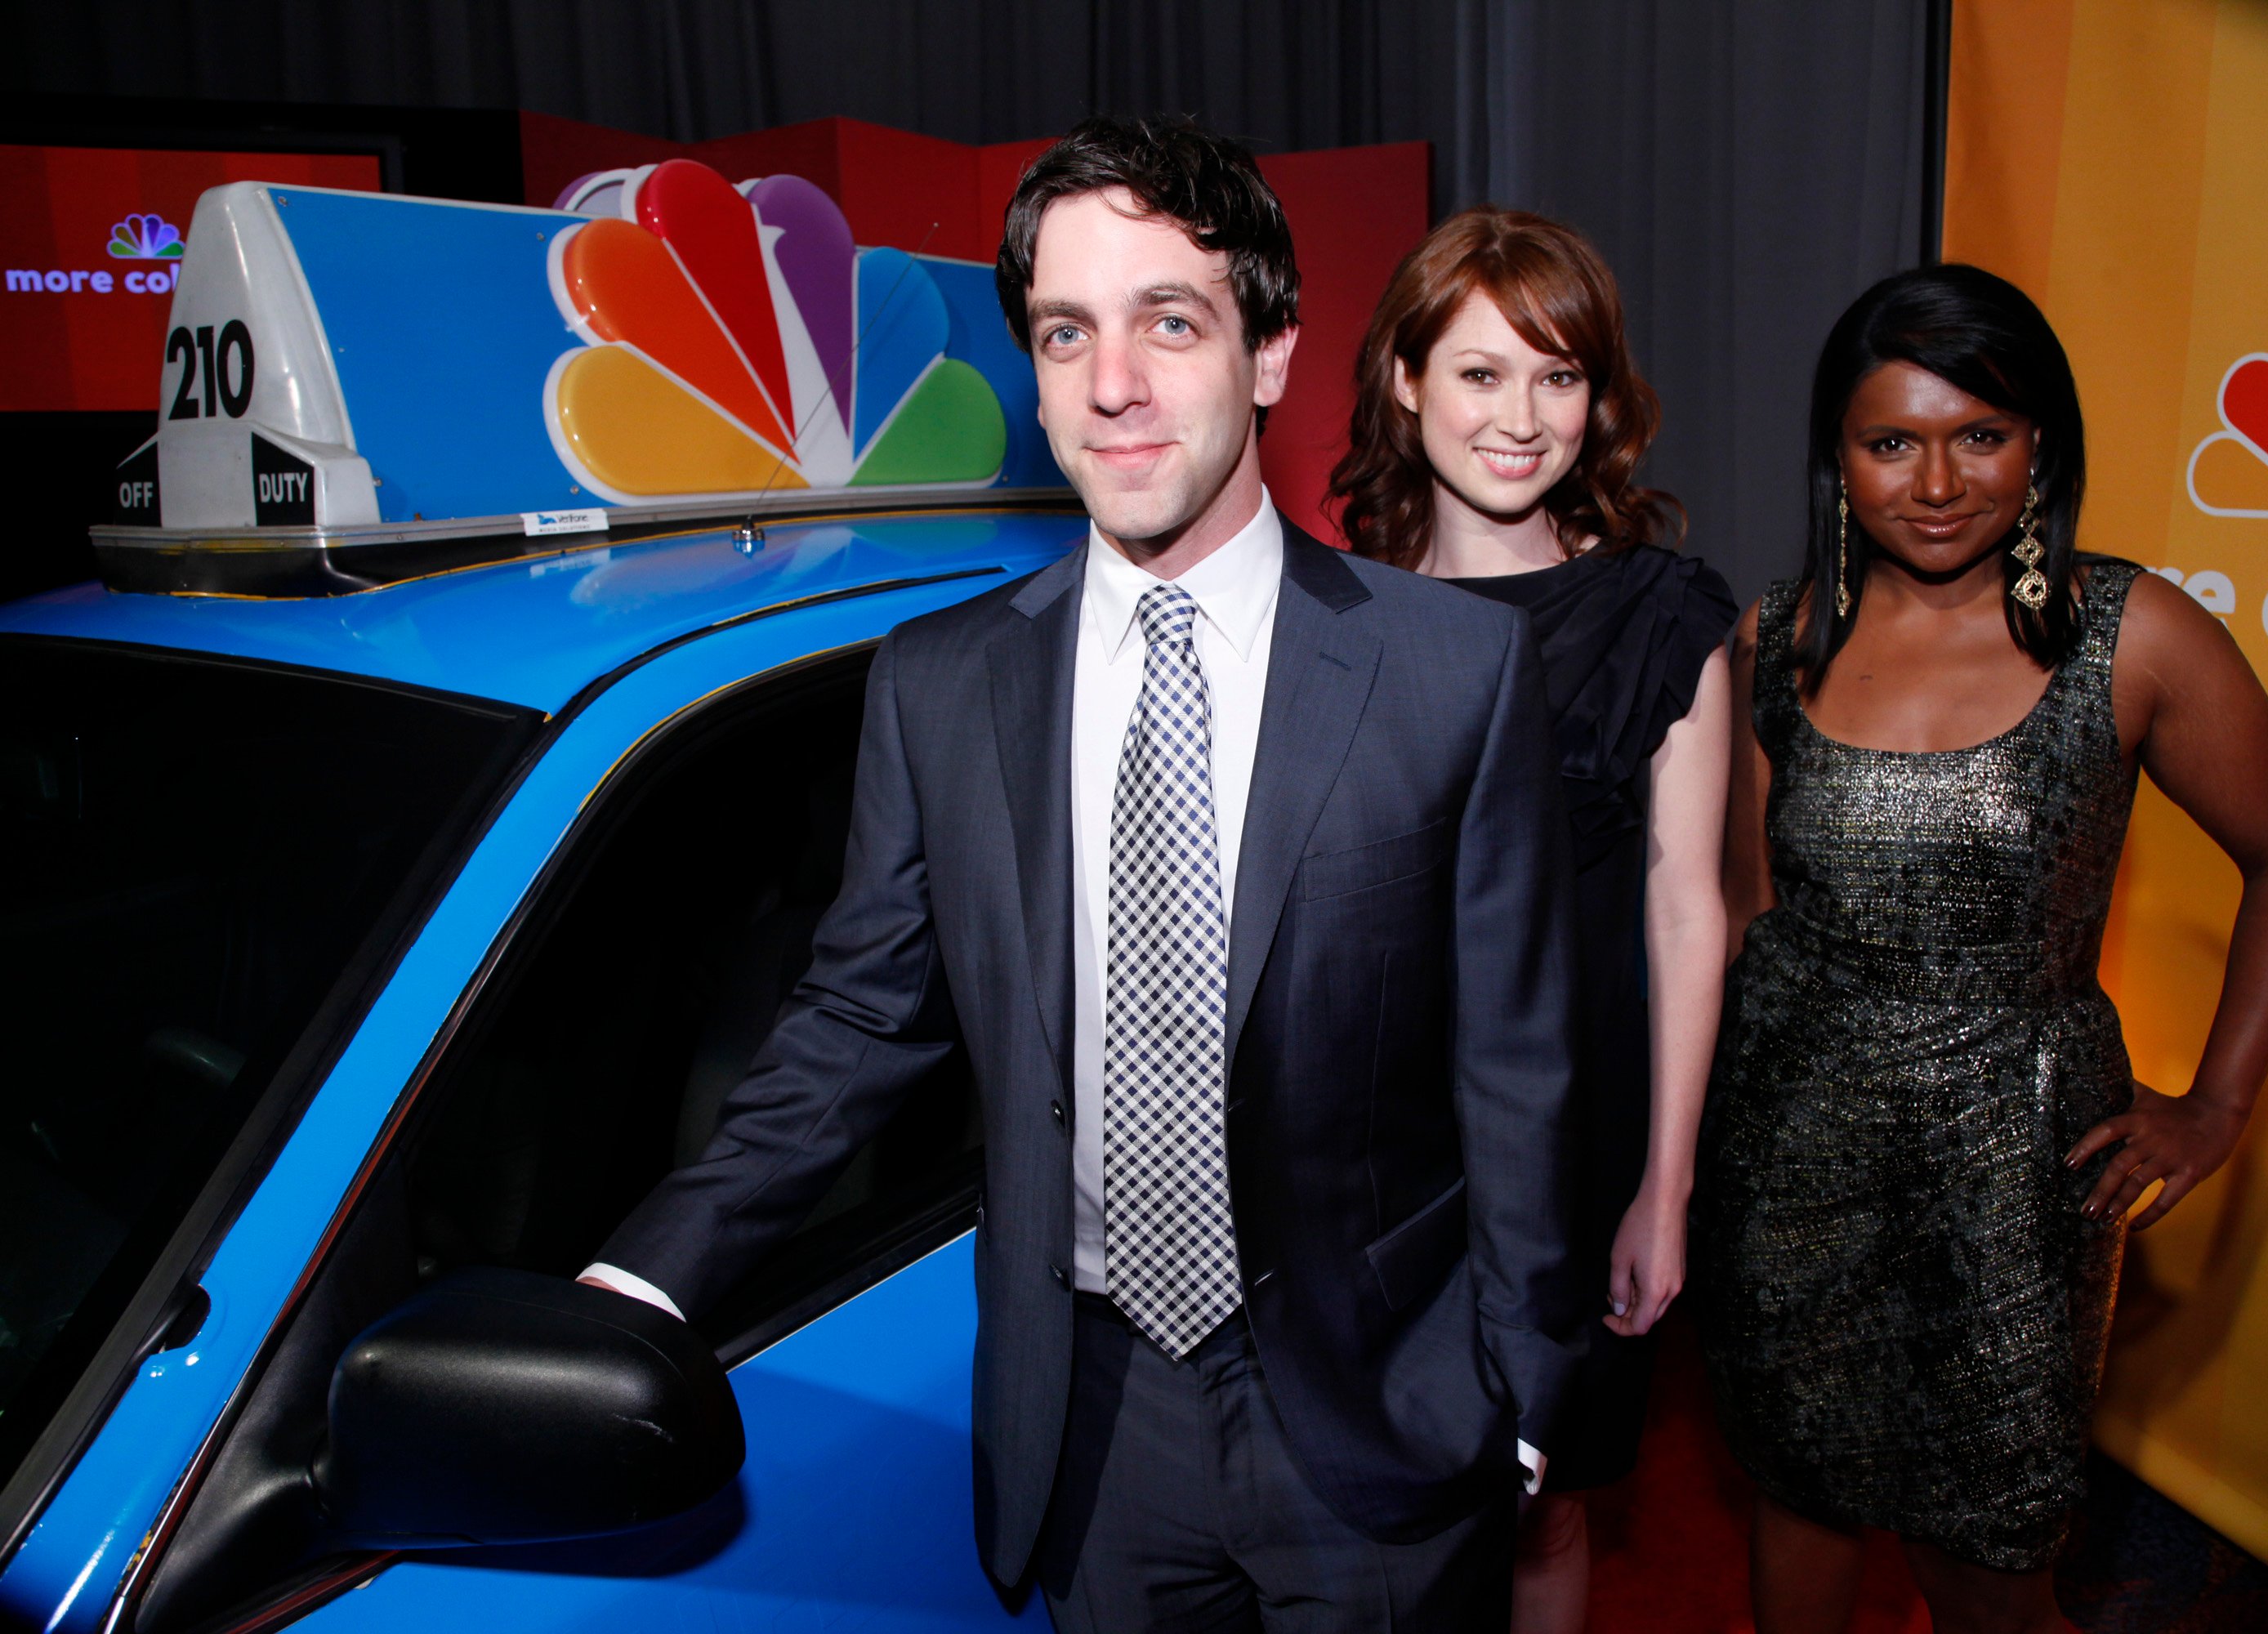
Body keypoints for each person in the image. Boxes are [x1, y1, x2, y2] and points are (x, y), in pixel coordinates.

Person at [579, 117, 1584, 1632]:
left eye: (1167, 322)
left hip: (1380, 1413)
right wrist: (646, 1278)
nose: (1111, 384)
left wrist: (1517, 1397)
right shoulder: (942, 686)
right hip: (1094, 1424)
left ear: (1269, 353)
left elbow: (1521, 1067)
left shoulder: (1453, 672)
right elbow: (857, 1024)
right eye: (1066, 332)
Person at [1693, 264, 2268, 1634]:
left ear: (2041, 443)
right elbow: (1750, 920)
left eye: (1978, 436)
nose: (1936, 483)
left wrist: (2217, 1105)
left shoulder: (2133, 634)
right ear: (1840, 459)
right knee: (1798, 1496)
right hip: (1790, 1152)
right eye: (1891, 444)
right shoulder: (1774, 642)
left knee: (1987, 1554)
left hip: (2015, 1173)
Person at [1329, 205, 1732, 1633]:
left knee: (1541, 1496)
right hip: (1367, 1145)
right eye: (1482, 373)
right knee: (1362, 1499)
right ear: (1404, 382)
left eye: (1558, 376)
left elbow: (1691, 911)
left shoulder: (1662, 612)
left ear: (1599, 399)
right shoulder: (1335, 612)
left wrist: (1664, 1187)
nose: (1522, 417)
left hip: (1568, 1139)